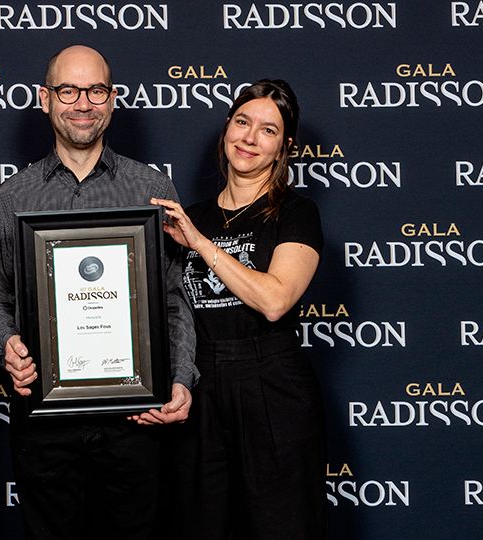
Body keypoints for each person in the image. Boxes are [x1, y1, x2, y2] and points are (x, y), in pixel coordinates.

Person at [0, 45, 198, 540]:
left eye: (96, 90)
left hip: (136, 415)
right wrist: (7, 345)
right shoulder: (11, 198)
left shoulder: (152, 188)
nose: (83, 103)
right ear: (45, 99)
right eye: (68, 90)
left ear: (113, 99)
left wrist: (180, 377)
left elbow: (174, 298)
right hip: (45, 417)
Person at [152, 79, 327, 539]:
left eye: (267, 130)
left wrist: (201, 244)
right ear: (226, 127)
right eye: (242, 122)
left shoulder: (295, 212)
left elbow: (274, 300)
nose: (249, 138)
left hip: (273, 387)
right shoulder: (192, 217)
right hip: (202, 390)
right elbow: (171, 314)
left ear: (284, 147)